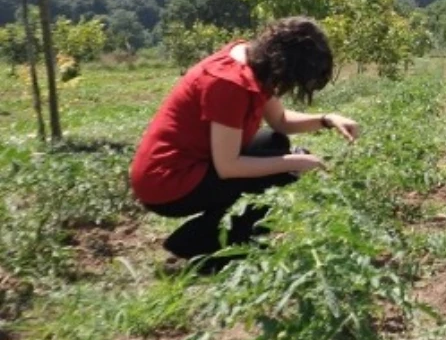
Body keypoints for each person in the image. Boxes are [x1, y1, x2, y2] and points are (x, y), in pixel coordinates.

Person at [130, 17, 359, 260]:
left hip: (190, 164)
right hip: (166, 182)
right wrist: (296, 163)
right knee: (280, 173)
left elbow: (280, 120)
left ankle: (214, 236)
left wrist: (327, 119)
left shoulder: (254, 61)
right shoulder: (230, 83)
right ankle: (202, 248)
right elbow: (228, 166)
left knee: (274, 142)